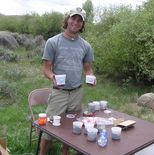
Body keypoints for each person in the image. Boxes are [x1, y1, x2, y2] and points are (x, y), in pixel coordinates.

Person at [40, 7, 96, 155]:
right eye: (73, 18)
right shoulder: (53, 42)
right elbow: (46, 69)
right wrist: (52, 77)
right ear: (67, 19)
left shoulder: (86, 46)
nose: (75, 23)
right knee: (49, 131)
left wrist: (91, 77)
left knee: (72, 129)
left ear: (83, 25)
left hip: (77, 93)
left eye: (80, 20)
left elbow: (88, 68)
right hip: (59, 93)